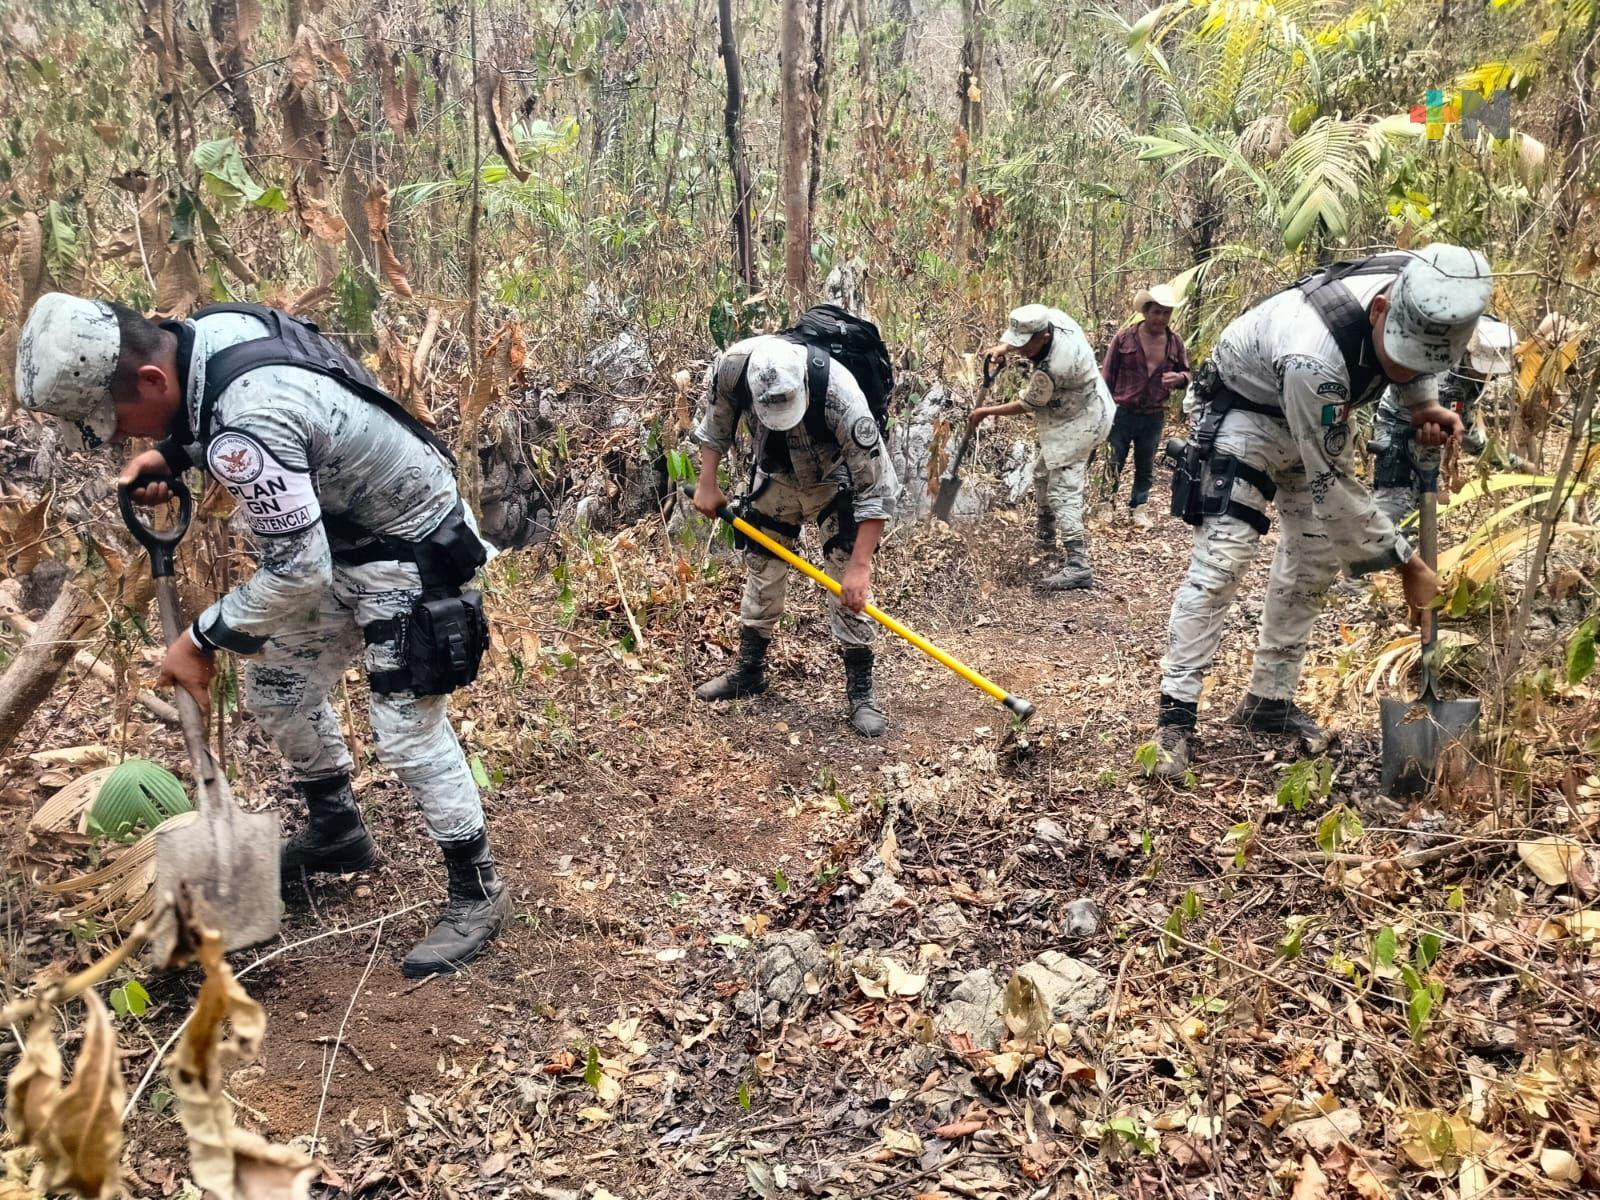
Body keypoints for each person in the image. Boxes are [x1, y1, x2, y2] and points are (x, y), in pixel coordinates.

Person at [16, 293, 506, 976]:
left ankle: (477, 891)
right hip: (337, 539)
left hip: (412, 553)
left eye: (118, 422)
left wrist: (201, 638)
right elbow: (240, 432)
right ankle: (338, 832)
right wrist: (172, 455)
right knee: (277, 691)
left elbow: (295, 571)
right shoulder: (207, 336)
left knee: (406, 731)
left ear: (153, 381)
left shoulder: (251, 419)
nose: (120, 439)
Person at [1151, 245, 1493, 781]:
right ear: (1380, 311)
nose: (1406, 369)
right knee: (1224, 558)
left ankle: (1270, 698)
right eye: (1401, 355)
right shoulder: (1315, 356)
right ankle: (1176, 714)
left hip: (1318, 419)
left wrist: (1423, 402)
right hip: (1248, 415)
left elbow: (1409, 370)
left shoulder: (1424, 277)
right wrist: (1408, 566)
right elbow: (1334, 485)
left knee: (1313, 560)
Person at [690, 334, 899, 736]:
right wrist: (707, 481)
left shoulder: (841, 396)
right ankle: (750, 670)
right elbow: (715, 427)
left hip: (833, 481)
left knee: (845, 583)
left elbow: (877, 489)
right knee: (763, 565)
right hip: (776, 476)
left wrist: (860, 566)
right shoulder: (733, 369)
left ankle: (861, 693)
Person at [967, 305, 1114, 589]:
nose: (1020, 350)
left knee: (1063, 488)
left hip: (1083, 421)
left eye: (1025, 345)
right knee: (1042, 474)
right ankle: (1045, 538)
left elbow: (1028, 404)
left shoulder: (1055, 366)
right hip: (1068, 413)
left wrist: (985, 412)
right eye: (1017, 343)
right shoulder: (1053, 318)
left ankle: (1078, 564)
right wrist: (1004, 347)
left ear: (1044, 337)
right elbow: (1022, 340)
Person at [1370, 315, 1520, 527]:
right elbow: (1464, 432)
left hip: (1434, 435)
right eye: (1479, 369)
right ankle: (1377, 551)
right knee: (1394, 503)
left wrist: (1511, 462)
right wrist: (1509, 461)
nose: (1482, 375)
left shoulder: (1478, 370)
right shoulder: (1439, 365)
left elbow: (1462, 425)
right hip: (1398, 425)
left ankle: (1411, 549)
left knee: (1422, 501)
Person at [1101, 284, 1193, 529]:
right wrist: (1102, 411)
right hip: (1121, 411)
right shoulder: (1124, 338)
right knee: (1114, 460)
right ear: (1145, 311)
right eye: (1157, 312)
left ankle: (1138, 508)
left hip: (1153, 414)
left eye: (1166, 313)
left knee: (1146, 464)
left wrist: (1180, 379)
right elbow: (1107, 377)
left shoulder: (1175, 343)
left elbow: (1187, 373)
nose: (1161, 318)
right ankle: (1105, 505)